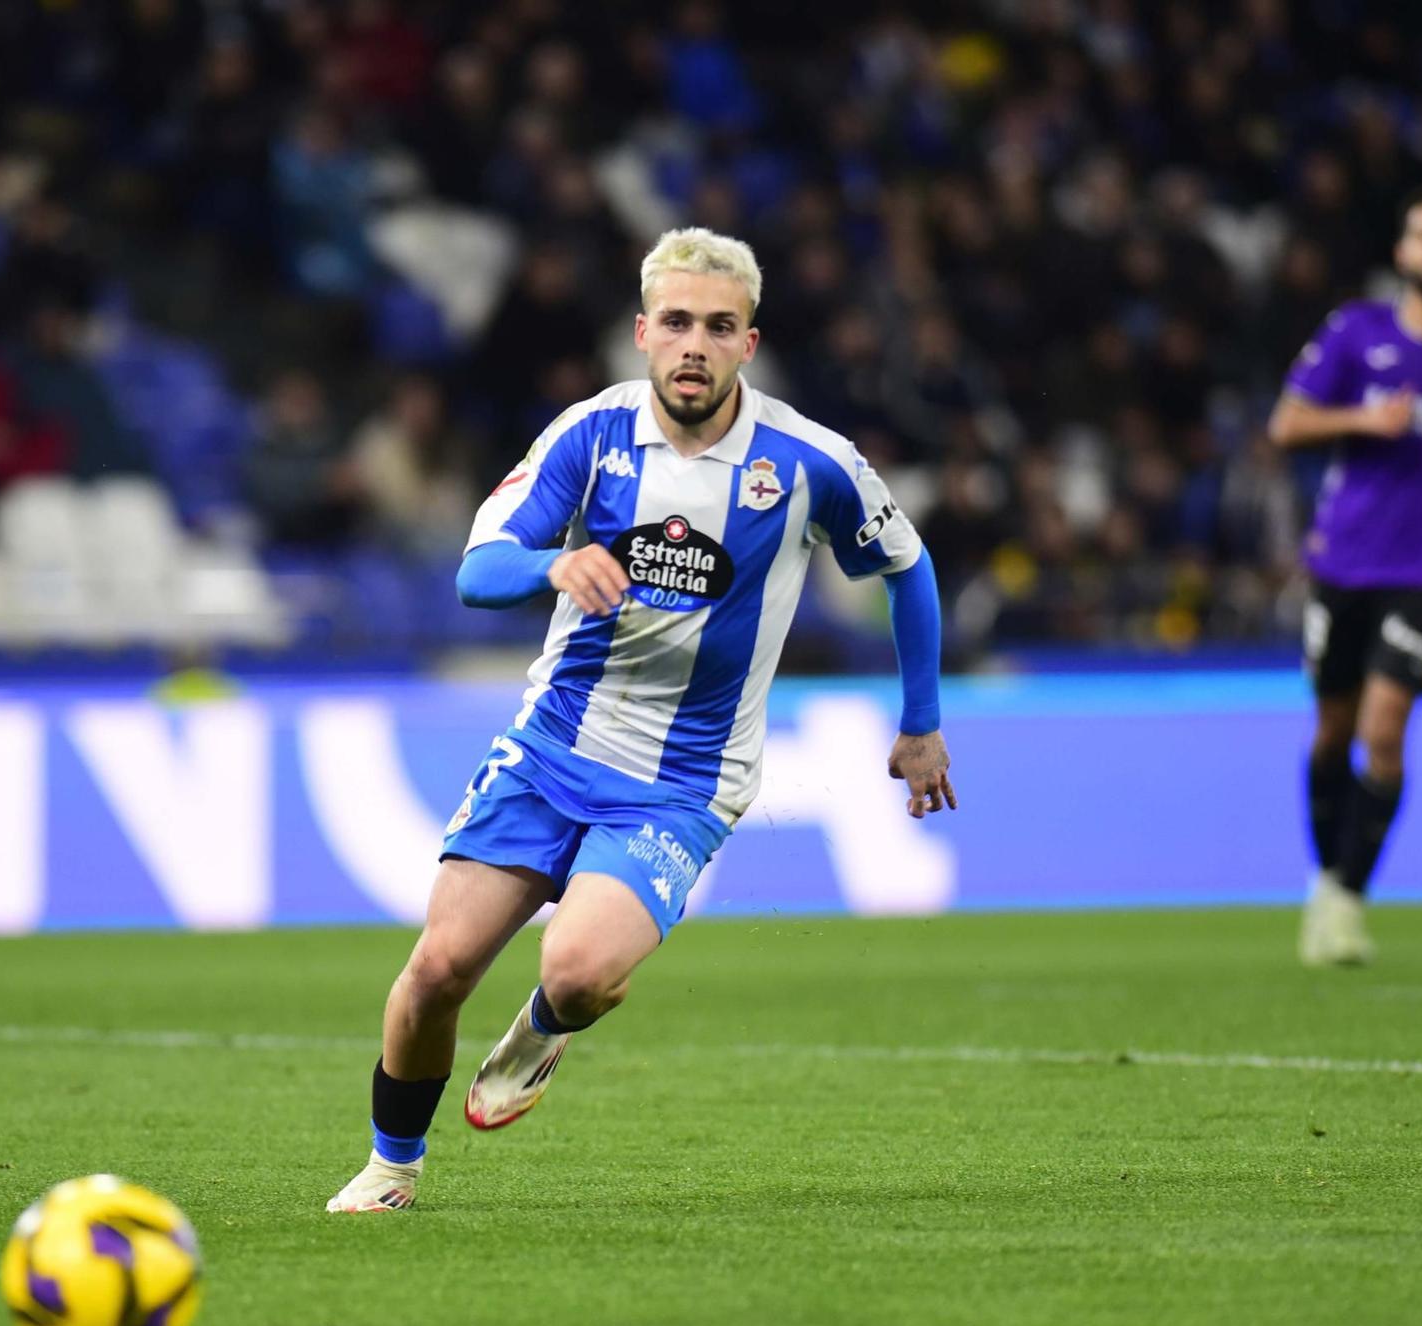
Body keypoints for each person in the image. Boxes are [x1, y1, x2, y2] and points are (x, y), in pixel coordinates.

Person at [328, 228, 955, 1214]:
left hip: (681, 781)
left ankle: (544, 1028)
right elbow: (475, 568)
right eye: (674, 323)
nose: (692, 344)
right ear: (640, 334)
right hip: (550, 749)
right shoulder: (589, 434)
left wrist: (919, 720)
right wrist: (552, 563)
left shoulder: (807, 463)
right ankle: (389, 1168)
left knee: (574, 974)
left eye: (716, 326)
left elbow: (906, 566)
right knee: (439, 965)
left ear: (749, 343)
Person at [1268, 187, 1422, 967]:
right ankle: (1329, 879)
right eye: (1421, 234)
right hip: (1344, 562)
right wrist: (1366, 421)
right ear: (1402, 250)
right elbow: (1286, 423)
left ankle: (1347, 898)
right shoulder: (1356, 332)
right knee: (1333, 731)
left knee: (1383, 730)